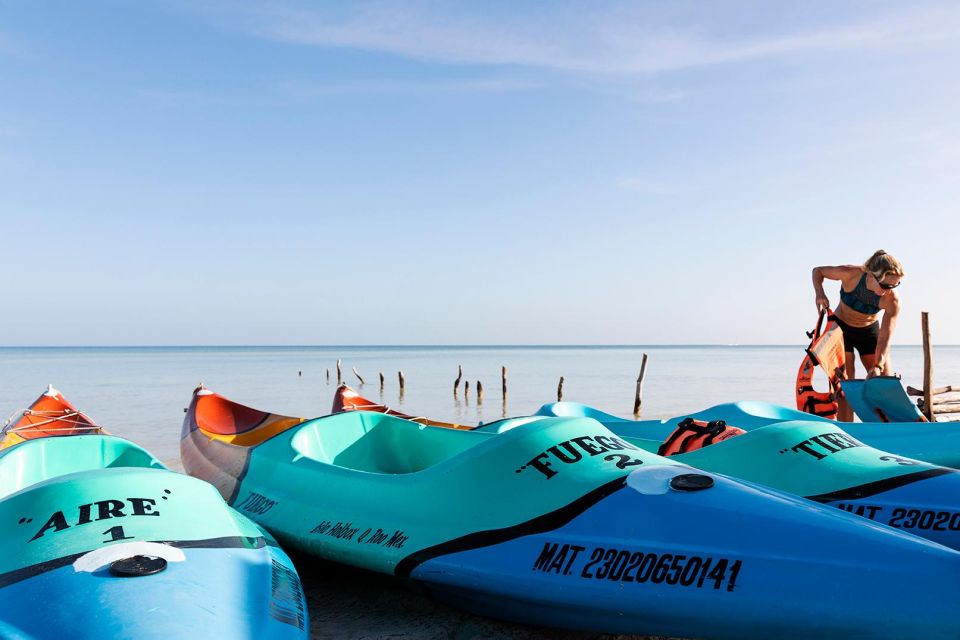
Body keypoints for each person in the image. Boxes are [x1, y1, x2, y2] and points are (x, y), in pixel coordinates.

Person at [811, 250, 904, 421]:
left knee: (884, 382)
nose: (888, 291)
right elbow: (818, 271)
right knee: (844, 386)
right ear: (871, 276)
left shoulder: (892, 300)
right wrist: (820, 293)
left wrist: (878, 364)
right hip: (840, 330)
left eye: (894, 286)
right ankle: (848, 432)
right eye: (885, 286)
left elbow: (886, 336)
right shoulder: (850, 274)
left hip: (868, 331)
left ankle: (889, 430)